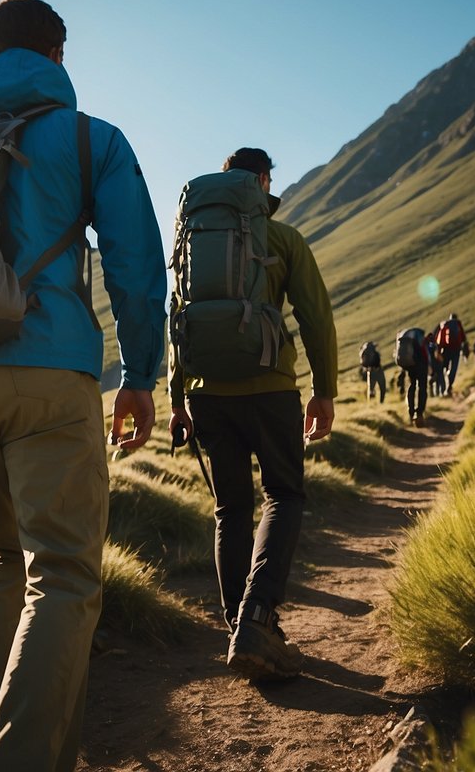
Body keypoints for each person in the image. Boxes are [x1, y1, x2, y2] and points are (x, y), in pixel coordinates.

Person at [0, 0, 167, 772]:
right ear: (57, 55)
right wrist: (138, 375)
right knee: (61, 574)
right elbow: (134, 270)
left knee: (5, 561)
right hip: (50, 375)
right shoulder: (89, 139)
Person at [169, 148, 337, 682]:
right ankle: (258, 618)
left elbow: (177, 315)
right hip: (270, 389)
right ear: (262, 182)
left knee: (231, 510)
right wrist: (324, 391)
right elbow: (315, 317)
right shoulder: (282, 239)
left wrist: (177, 398)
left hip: (206, 393)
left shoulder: (191, 237)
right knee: (283, 494)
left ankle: (237, 627)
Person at [396, 327, 431, 427]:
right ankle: (419, 413)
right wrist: (429, 365)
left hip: (409, 365)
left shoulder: (404, 336)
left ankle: (411, 412)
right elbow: (425, 352)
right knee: (422, 387)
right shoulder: (419, 336)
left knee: (412, 385)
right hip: (420, 364)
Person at [433, 311, 469, 395]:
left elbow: (440, 339)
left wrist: (439, 350)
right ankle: (449, 385)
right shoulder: (458, 324)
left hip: (446, 349)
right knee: (454, 368)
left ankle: (442, 388)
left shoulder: (445, 324)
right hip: (456, 350)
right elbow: (464, 338)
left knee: (443, 367)